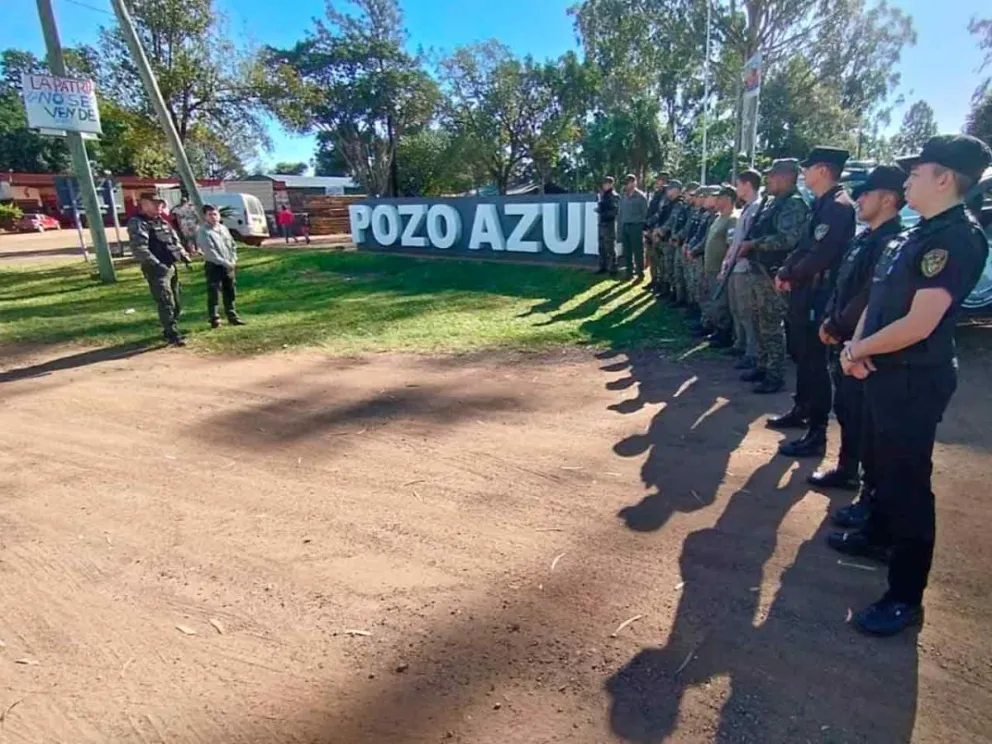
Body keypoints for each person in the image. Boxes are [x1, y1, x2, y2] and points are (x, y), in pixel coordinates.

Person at [829, 134, 991, 636]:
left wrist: (859, 351)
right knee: (878, 463)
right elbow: (879, 303)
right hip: (880, 369)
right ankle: (877, 533)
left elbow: (921, 323)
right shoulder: (915, 234)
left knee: (907, 485)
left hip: (913, 379)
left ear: (945, 178)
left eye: (917, 172)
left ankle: (905, 596)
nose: (908, 180)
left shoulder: (956, 237)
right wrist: (856, 347)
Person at [809, 165, 905, 500]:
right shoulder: (866, 237)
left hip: (861, 343)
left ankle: (867, 492)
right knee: (848, 410)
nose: (859, 198)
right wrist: (828, 319)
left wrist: (836, 326)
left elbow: (868, 296)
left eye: (867, 193)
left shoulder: (890, 241)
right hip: (844, 337)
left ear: (889, 199)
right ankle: (847, 470)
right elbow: (842, 285)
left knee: (865, 420)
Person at [773, 147, 857, 457]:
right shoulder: (821, 204)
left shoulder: (839, 207)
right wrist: (786, 270)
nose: (804, 175)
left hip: (819, 295)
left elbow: (821, 255)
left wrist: (790, 273)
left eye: (807, 169)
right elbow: (803, 247)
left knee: (815, 363)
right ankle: (802, 409)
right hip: (804, 292)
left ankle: (817, 431)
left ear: (822, 170)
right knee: (801, 355)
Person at [736, 159, 810, 394]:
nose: (768, 181)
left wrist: (754, 244)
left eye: (772, 176)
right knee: (759, 320)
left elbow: (788, 239)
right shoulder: (774, 202)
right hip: (760, 269)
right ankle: (762, 365)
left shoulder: (794, 204)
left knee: (771, 325)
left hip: (775, 273)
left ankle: (775, 373)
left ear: (786, 177)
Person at [128, 192, 191, 347]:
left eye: (161, 204)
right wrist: (157, 265)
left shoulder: (163, 222)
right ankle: (172, 333)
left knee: (176, 302)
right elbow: (139, 249)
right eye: (155, 203)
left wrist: (183, 255)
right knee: (166, 301)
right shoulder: (138, 223)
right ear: (144, 204)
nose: (159, 206)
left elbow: (174, 241)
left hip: (171, 266)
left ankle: (170, 327)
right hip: (156, 269)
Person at [722, 169, 765, 370]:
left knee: (748, 312)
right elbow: (737, 239)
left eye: (739, 184)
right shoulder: (748, 208)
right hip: (736, 266)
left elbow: (748, 240)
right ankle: (742, 345)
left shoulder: (757, 207)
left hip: (746, 267)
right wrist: (728, 259)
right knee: (738, 309)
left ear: (747, 185)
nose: (737, 188)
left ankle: (752, 353)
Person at [699, 185, 738, 346]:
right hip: (710, 267)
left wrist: (725, 266)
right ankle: (715, 328)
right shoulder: (718, 217)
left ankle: (724, 333)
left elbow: (731, 245)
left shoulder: (732, 219)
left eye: (719, 197)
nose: (715, 200)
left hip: (720, 269)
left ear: (728, 199)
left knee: (721, 303)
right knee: (712, 301)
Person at [196, 203, 247, 329]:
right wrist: (226, 263)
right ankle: (214, 319)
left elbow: (232, 245)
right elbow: (209, 252)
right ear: (205, 217)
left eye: (215, 214)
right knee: (214, 293)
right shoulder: (203, 231)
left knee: (230, 291)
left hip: (229, 265)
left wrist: (233, 260)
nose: (213, 217)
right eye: (210, 215)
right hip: (214, 266)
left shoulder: (223, 229)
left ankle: (232, 316)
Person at [656, 180, 687, 297]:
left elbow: (671, 221)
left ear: (676, 190)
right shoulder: (668, 203)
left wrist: (662, 230)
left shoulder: (679, 204)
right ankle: (666, 290)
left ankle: (675, 293)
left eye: (669, 189)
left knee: (671, 269)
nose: (667, 191)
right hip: (664, 238)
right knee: (664, 267)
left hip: (671, 240)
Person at [618, 174, 648, 281]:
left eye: (628, 183)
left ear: (634, 183)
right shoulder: (623, 196)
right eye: (625, 183)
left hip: (636, 227)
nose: (626, 185)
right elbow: (620, 214)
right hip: (625, 226)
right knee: (627, 252)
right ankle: (629, 273)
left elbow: (645, 214)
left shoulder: (641, 197)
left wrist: (644, 230)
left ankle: (640, 273)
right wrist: (620, 230)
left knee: (638, 251)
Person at [644, 173, 670, 283]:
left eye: (658, 180)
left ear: (664, 181)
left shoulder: (666, 196)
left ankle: (661, 283)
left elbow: (660, 213)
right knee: (652, 256)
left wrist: (651, 225)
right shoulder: (656, 194)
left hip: (658, 230)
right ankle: (654, 280)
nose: (656, 182)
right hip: (651, 229)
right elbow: (650, 210)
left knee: (660, 259)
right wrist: (647, 226)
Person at [596, 176, 620, 276]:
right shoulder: (604, 195)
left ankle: (613, 268)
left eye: (606, 183)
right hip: (602, 223)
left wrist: (603, 213)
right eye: (604, 183)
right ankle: (603, 266)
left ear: (611, 184)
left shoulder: (614, 196)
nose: (604, 185)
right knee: (601, 247)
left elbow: (615, 211)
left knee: (610, 247)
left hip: (609, 224)